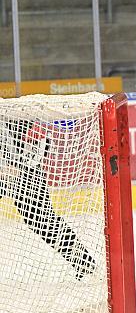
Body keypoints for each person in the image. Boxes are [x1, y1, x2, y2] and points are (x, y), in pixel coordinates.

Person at [0, 120, 95, 280]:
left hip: (25, 173)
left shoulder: (18, 116)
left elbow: (42, 141)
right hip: (12, 168)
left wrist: (19, 165)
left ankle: (83, 263)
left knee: (43, 222)